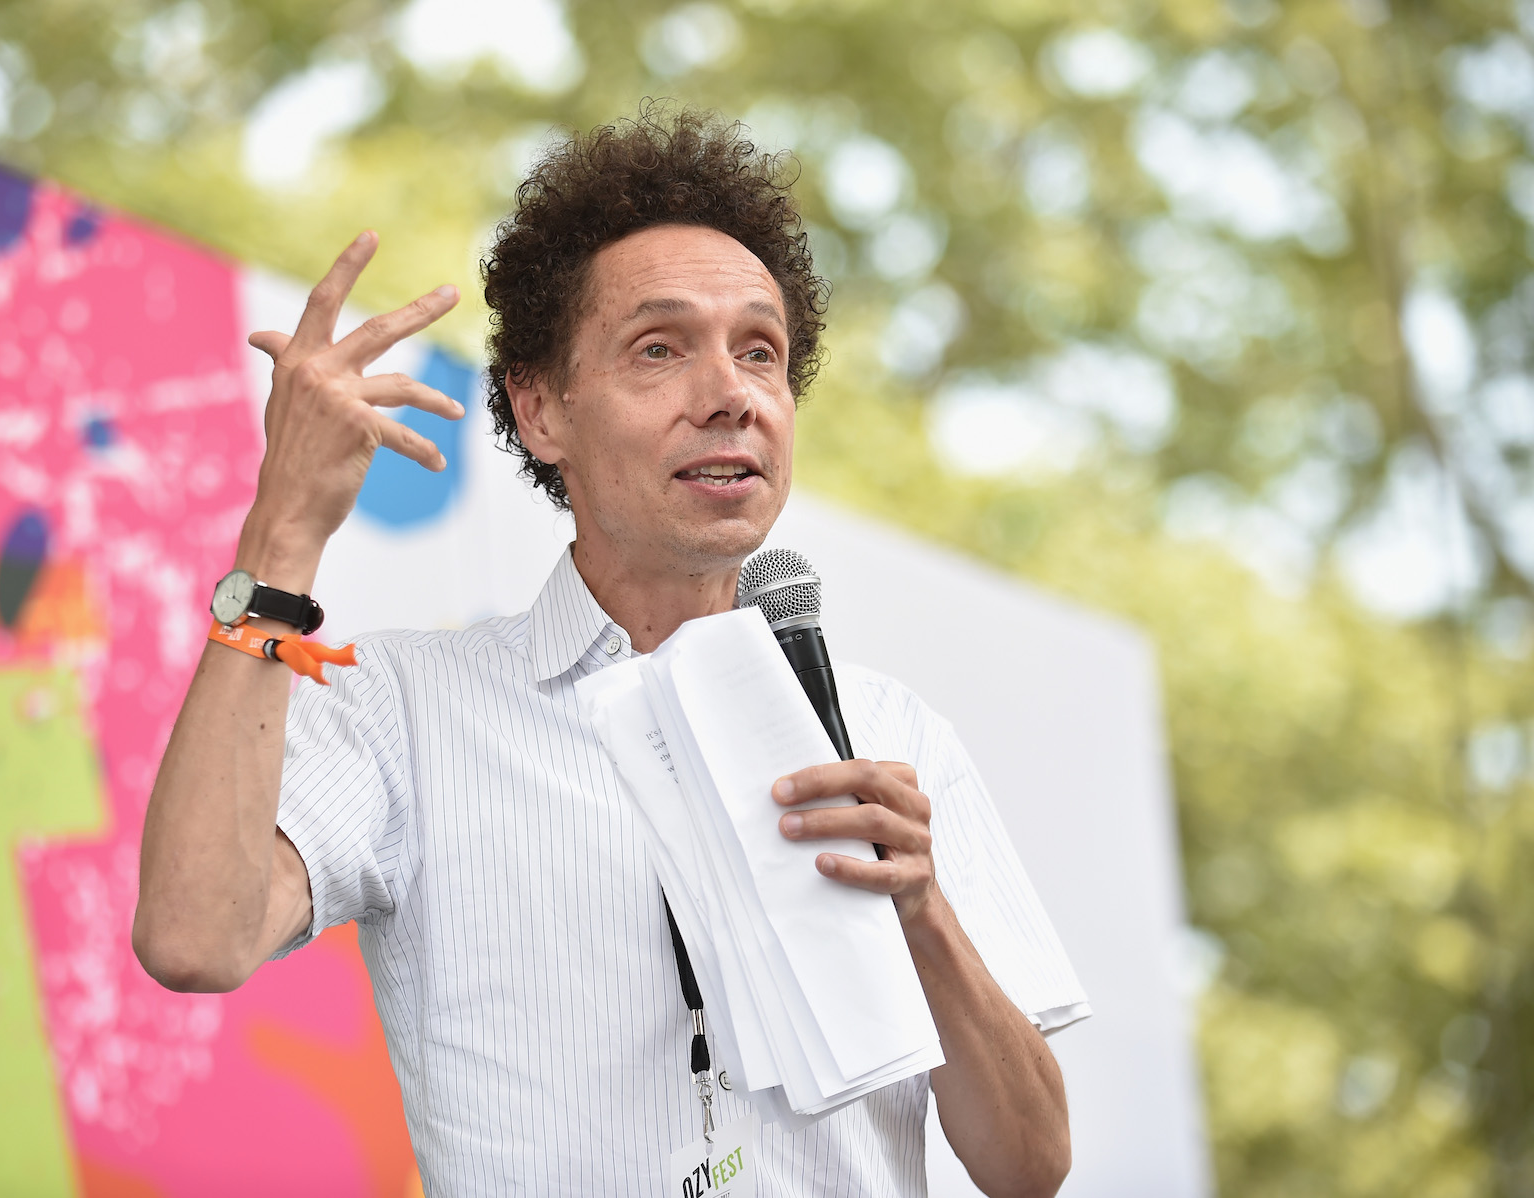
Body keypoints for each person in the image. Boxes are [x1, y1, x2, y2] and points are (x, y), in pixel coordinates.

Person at [134, 109, 1089, 1197]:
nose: (730, 392)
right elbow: (193, 936)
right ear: (541, 408)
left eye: (761, 352)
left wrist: (925, 916)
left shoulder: (894, 735)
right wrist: (283, 536)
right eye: (660, 347)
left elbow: (1030, 1167)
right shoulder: (408, 704)